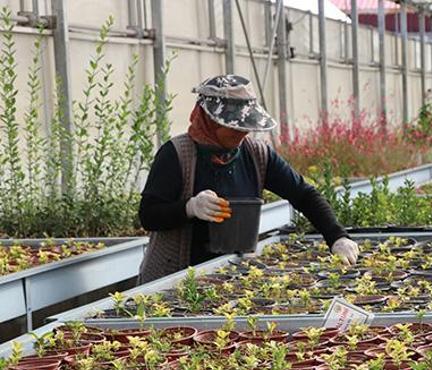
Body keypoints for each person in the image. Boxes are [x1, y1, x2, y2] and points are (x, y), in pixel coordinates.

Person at [138, 74, 358, 283]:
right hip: (176, 279)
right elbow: (149, 216)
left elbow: (303, 194)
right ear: (210, 122)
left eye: (245, 126)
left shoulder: (257, 154)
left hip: (233, 276)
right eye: (234, 127)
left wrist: (337, 237)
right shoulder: (177, 154)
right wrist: (189, 207)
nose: (242, 133)